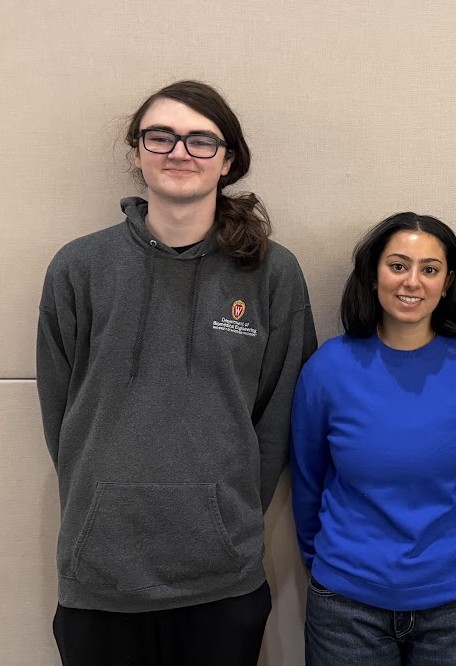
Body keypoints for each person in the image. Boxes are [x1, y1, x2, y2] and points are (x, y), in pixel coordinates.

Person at [36, 80, 317, 665]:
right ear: (137, 152)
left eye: (200, 140)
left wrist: (226, 511)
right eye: (160, 136)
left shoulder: (270, 272)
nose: (179, 151)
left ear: (228, 160)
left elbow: (278, 413)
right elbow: (63, 416)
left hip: (222, 578)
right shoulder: (79, 267)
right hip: (100, 578)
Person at [290, 212, 456, 666]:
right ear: (373, 273)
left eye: (429, 269)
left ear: (448, 281)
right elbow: (307, 477)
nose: (412, 282)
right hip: (346, 606)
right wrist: (328, 561)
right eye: (398, 265)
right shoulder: (327, 369)